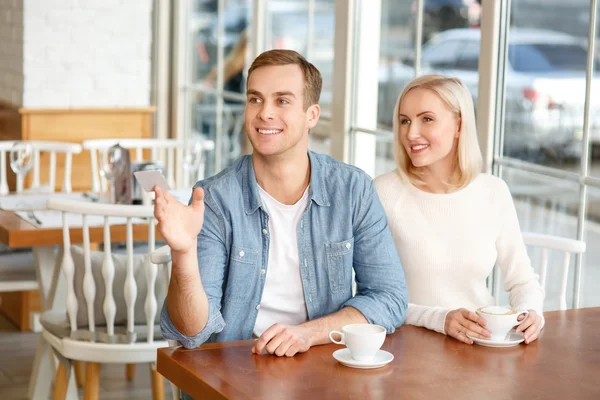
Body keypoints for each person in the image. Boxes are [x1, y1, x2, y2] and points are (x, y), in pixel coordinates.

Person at [155, 49, 408, 357]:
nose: (264, 113)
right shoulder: (215, 199)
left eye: (282, 101)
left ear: (311, 115)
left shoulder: (353, 190)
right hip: (235, 372)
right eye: (255, 99)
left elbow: (390, 297)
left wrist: (308, 334)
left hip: (323, 369)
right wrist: (183, 253)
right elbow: (191, 333)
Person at [374, 74, 544, 345]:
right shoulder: (384, 192)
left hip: (482, 347)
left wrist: (531, 312)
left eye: (426, 119)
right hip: (410, 349)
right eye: (404, 120)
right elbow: (374, 298)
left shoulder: (493, 191)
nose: (410, 133)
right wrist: (439, 319)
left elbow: (522, 280)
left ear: (458, 125)